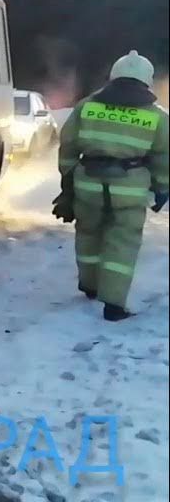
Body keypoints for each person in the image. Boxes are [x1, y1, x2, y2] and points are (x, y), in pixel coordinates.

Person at [57, 50, 169, 321]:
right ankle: (114, 304)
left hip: (88, 184)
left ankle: (90, 285)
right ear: (147, 80)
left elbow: (68, 145)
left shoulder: (87, 106)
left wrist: (68, 179)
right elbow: (164, 157)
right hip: (130, 189)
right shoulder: (157, 116)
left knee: (88, 233)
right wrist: (162, 187)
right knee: (123, 243)